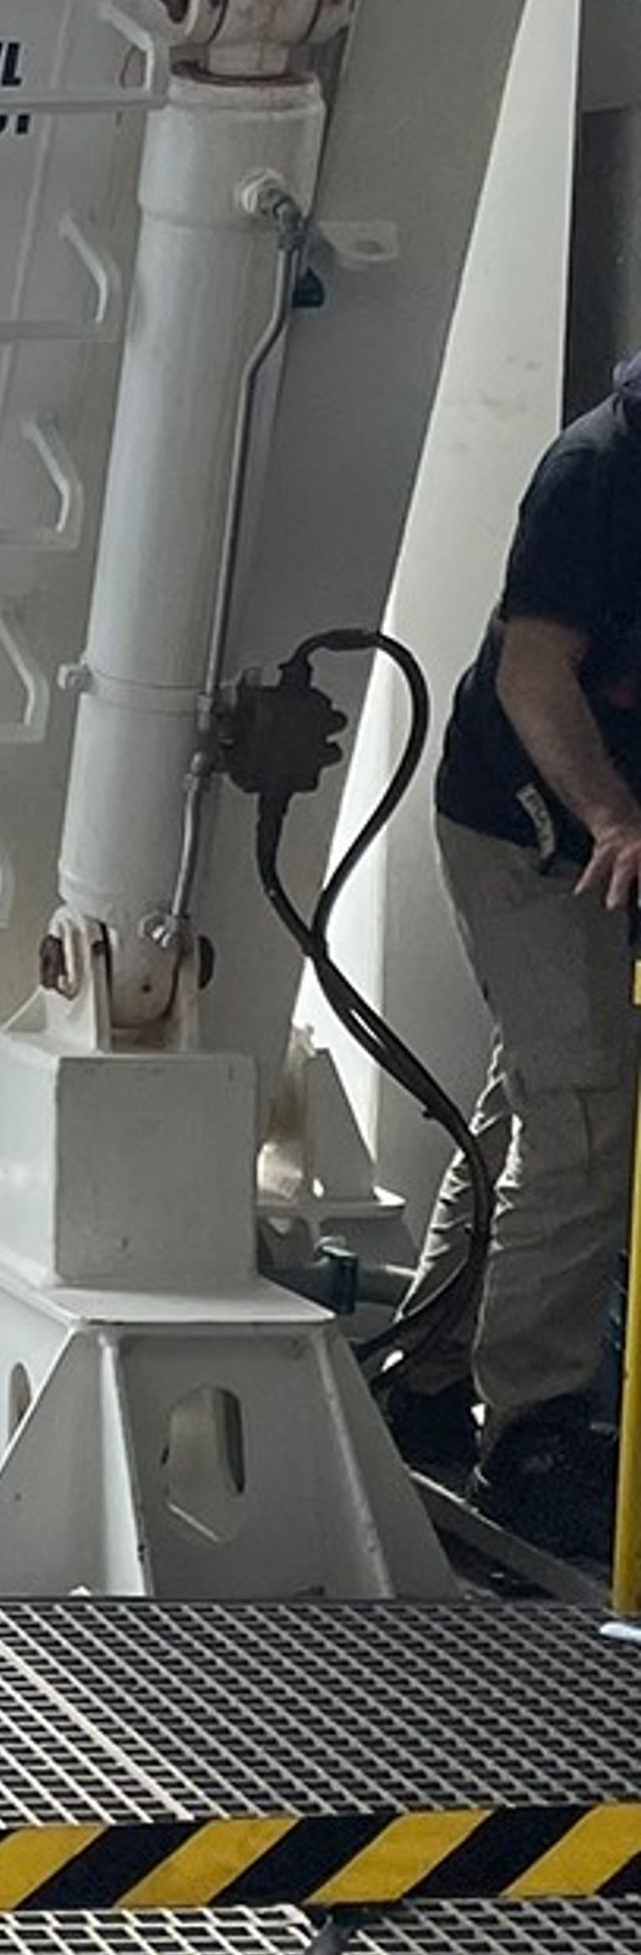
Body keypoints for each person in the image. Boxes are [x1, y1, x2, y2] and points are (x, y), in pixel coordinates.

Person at [387, 355, 641, 1562]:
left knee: (533, 1098)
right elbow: (536, 672)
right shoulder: (596, 469)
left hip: (605, 823)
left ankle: (427, 1374)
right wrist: (611, 820)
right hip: (524, 826)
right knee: (583, 1103)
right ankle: (531, 1429)